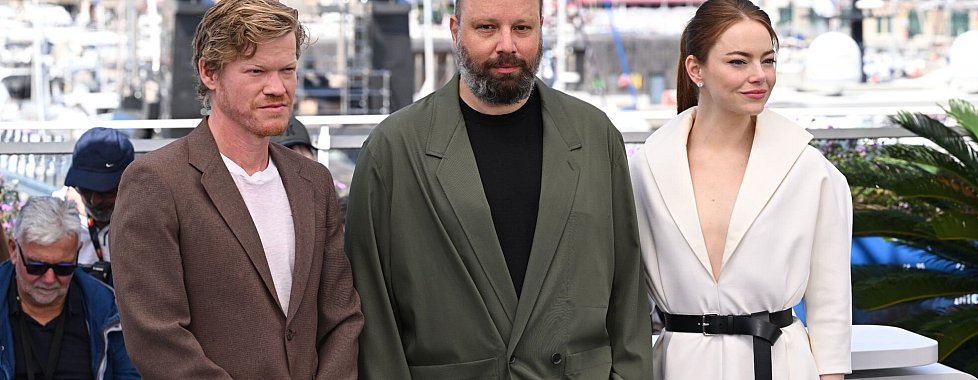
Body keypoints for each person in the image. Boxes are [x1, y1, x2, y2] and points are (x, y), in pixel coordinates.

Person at [344, 0, 651, 378]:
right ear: (455, 30)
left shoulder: (595, 136)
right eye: (487, 28)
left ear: (540, 28)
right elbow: (373, 312)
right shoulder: (393, 150)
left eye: (522, 29)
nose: (507, 45)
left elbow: (628, 290)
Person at [110, 0, 363, 378]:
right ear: (209, 72)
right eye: (256, 71)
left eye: (288, 70)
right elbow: (157, 337)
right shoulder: (156, 183)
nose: (277, 88)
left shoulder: (313, 182)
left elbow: (342, 316)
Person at [628, 1, 852, 379]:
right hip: (678, 368)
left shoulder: (811, 171)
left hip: (781, 366)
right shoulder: (644, 169)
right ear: (695, 68)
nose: (759, 75)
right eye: (738, 61)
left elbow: (831, 307)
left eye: (768, 60)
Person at [0, 196, 139, 379]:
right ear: (13, 251)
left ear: (77, 254)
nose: (49, 279)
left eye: (63, 268)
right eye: (36, 267)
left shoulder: (107, 309)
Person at [61, 127, 135, 285]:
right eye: (86, 190)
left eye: (106, 192)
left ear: (129, 184)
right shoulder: (56, 220)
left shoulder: (150, 219)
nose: (94, 201)